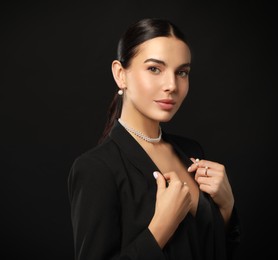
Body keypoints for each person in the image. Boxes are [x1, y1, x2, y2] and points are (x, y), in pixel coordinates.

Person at [67, 17, 241, 260]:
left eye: (182, 72)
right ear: (120, 74)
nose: (172, 85)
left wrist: (227, 208)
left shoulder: (191, 151)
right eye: (154, 69)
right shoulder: (96, 169)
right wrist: (159, 229)